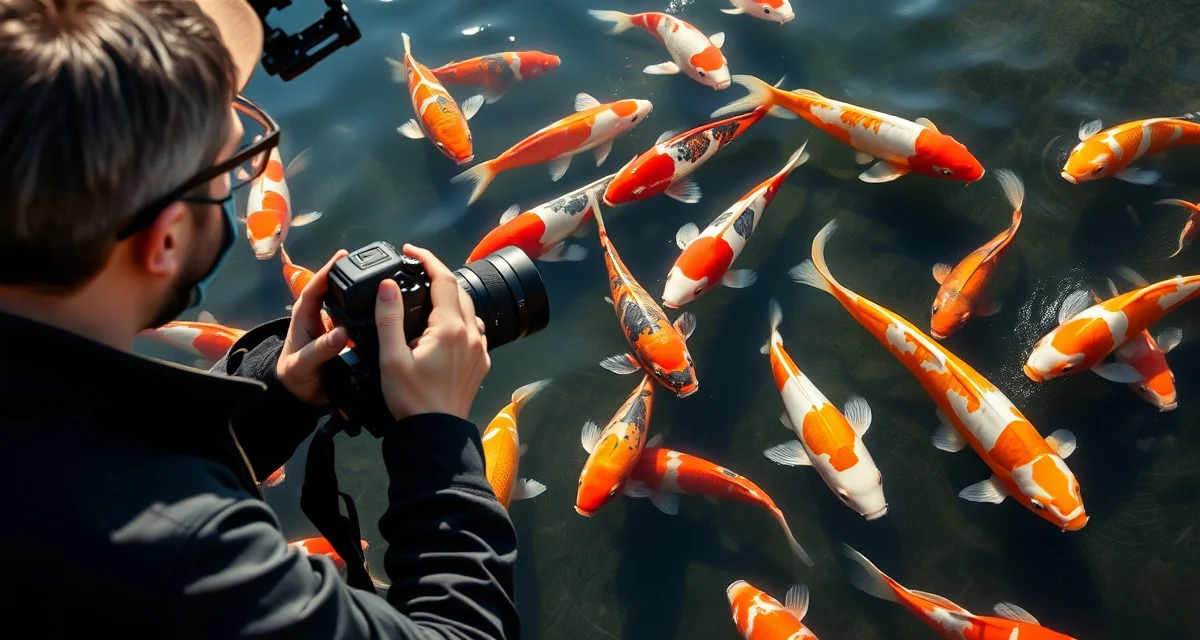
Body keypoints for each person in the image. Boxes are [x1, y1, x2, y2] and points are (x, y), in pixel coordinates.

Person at [0, 1, 519, 637]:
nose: (234, 199)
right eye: (227, 177)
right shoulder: (182, 553)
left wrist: (275, 396)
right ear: (163, 240)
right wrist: (438, 436)